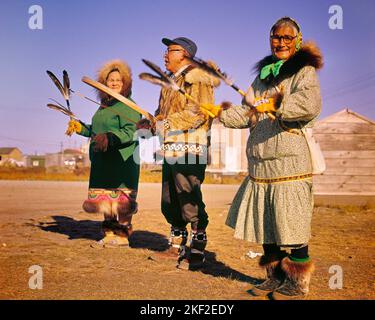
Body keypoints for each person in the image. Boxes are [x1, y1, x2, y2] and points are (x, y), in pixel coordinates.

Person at [219, 17, 323, 299]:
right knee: (267, 224)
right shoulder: (263, 76)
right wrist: (218, 113)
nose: (281, 42)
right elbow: (246, 112)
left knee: (292, 224)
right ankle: (275, 278)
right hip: (261, 163)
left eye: (287, 38)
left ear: (297, 41)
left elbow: (309, 105)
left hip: (290, 161)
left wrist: (276, 104)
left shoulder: (304, 72)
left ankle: (297, 283)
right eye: (276, 37)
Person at [139, 37, 220, 269]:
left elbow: (200, 112)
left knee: (188, 195)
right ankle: (176, 246)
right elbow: (161, 114)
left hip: (191, 147)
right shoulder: (170, 82)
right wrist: (150, 123)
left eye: (170, 50)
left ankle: (197, 249)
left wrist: (166, 123)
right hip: (171, 147)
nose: (165, 54)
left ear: (184, 53)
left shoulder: (198, 77)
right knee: (170, 198)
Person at [66, 59, 141, 247]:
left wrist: (110, 137)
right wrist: (81, 128)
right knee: (107, 199)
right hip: (103, 161)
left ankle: (122, 236)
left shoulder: (128, 106)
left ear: (125, 84)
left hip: (123, 160)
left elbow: (131, 131)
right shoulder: (103, 107)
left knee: (121, 199)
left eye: (118, 80)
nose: (114, 83)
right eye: (111, 80)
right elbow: (96, 131)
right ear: (104, 83)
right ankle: (108, 234)